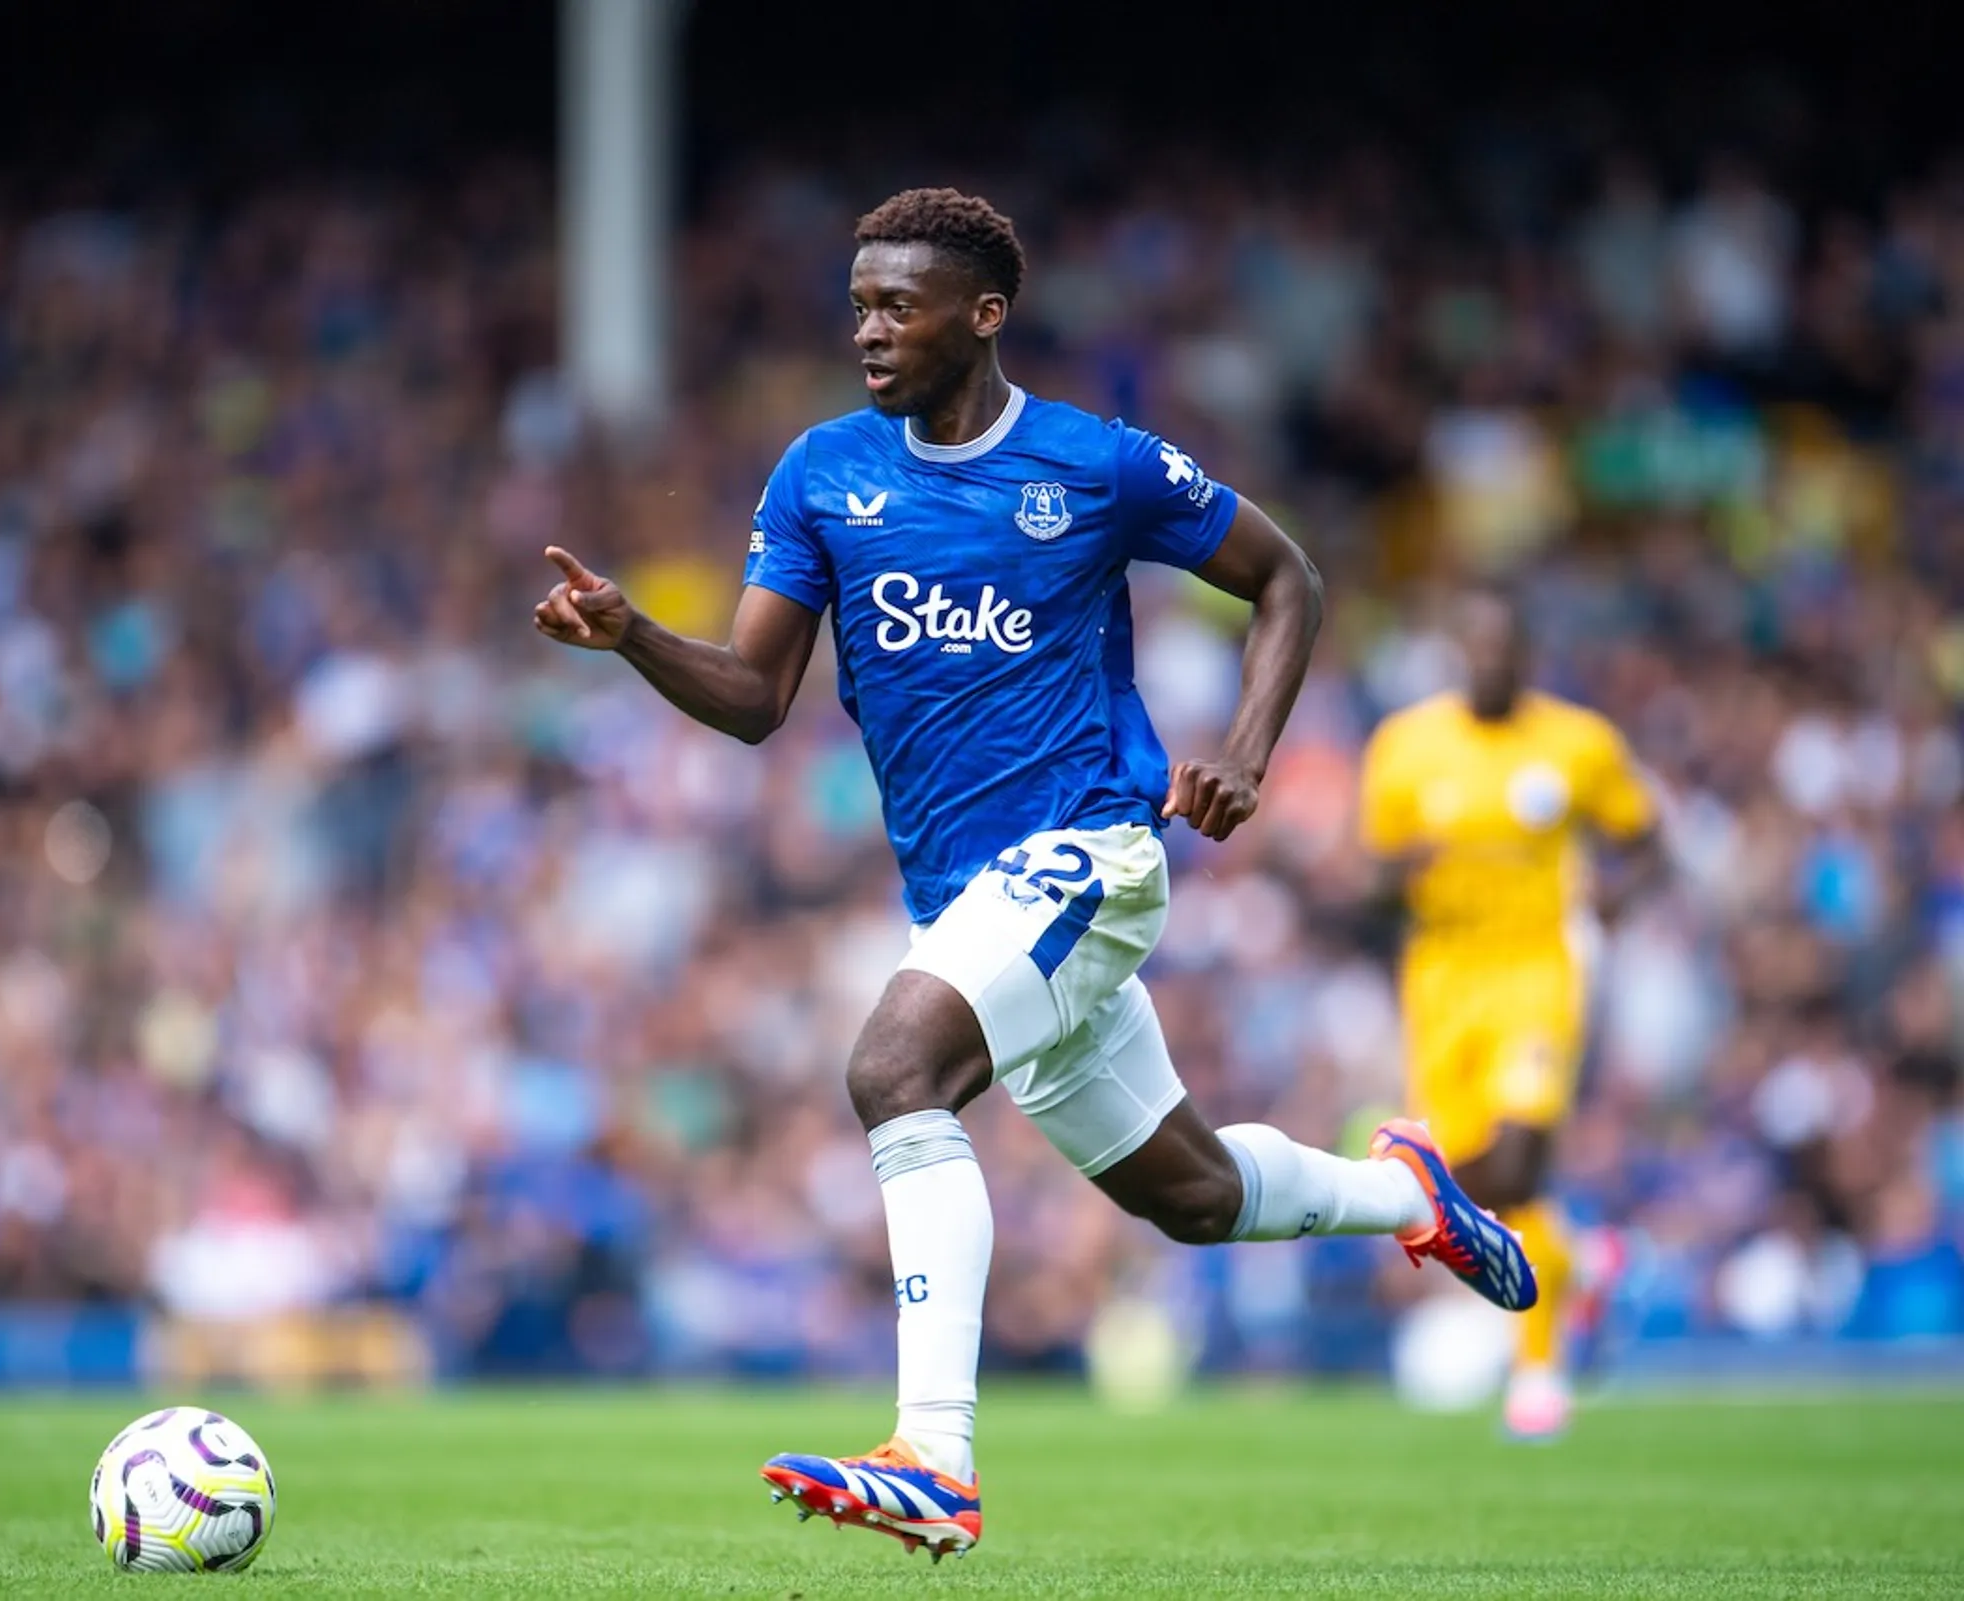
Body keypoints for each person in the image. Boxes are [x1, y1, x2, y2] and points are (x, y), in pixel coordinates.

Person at [533, 188, 1534, 1560]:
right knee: (1192, 1197)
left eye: (897, 306)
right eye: (859, 304)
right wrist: (636, 634)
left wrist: (1245, 755)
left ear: (983, 315)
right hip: (969, 899)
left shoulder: (1096, 464)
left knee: (896, 1066)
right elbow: (757, 696)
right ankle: (1412, 1195)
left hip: (1089, 851)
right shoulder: (821, 473)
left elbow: (1286, 576)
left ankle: (934, 1456)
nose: (866, 329)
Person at [1357, 584, 1664, 1440]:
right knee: (1452, 1184)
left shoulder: (1577, 743)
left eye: (1505, 648)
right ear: (1459, 653)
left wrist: (1617, 897)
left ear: (1526, 655)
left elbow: (1647, 840)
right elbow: (1369, 878)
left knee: (1521, 1159)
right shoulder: (1404, 746)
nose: (1491, 662)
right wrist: (1399, 871)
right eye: (1477, 647)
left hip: (1538, 968)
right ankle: (1580, 1261)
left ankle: (1538, 1374)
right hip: (1442, 977)